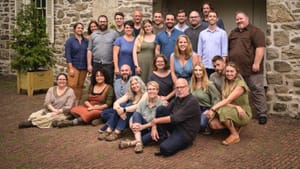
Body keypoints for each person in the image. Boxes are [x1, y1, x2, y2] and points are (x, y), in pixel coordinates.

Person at [228, 11, 268, 125]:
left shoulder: (256, 31)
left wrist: (256, 63)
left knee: (257, 90)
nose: (238, 21)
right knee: (236, 92)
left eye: (241, 18)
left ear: (247, 19)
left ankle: (262, 114)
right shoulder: (233, 32)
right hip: (236, 70)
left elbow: (260, 48)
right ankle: (239, 112)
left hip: (252, 68)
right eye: (237, 19)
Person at [205, 62, 252, 145]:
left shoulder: (240, 85)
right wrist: (236, 106)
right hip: (234, 109)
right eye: (227, 71)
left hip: (243, 112)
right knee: (213, 124)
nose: (229, 74)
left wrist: (212, 109)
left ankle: (235, 135)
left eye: (231, 71)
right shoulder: (225, 83)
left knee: (222, 110)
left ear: (236, 72)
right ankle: (235, 126)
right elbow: (224, 100)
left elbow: (227, 101)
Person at [151, 78, 200, 156]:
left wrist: (155, 121)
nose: (179, 90)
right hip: (175, 127)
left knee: (165, 149)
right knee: (160, 109)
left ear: (187, 87)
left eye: (182, 87)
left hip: (185, 132)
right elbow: (165, 112)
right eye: (177, 88)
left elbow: (174, 118)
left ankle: (184, 143)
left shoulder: (192, 101)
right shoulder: (177, 99)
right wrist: (154, 125)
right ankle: (163, 139)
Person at [98, 76, 147, 141]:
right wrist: (119, 111)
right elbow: (116, 103)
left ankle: (117, 131)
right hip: (127, 115)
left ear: (140, 83)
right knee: (121, 105)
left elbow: (138, 106)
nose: (134, 85)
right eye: (132, 84)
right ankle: (109, 130)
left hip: (139, 116)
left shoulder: (145, 93)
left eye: (136, 83)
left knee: (128, 106)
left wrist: (123, 110)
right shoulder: (130, 93)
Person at [118, 81, 163, 153]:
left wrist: (143, 127)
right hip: (140, 128)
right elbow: (135, 115)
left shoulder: (161, 105)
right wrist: (131, 125)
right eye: (149, 89)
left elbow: (157, 121)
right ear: (147, 91)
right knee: (136, 114)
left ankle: (133, 143)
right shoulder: (143, 102)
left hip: (153, 129)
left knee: (155, 133)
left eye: (154, 89)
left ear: (157, 90)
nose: (151, 91)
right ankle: (139, 143)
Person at [87, 15, 119, 86]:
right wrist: (89, 65)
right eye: (101, 21)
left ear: (107, 22)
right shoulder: (93, 34)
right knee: (94, 83)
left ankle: (109, 97)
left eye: (104, 21)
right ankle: (95, 97)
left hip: (109, 64)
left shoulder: (114, 33)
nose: (102, 23)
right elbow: (89, 50)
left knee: (109, 83)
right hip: (96, 63)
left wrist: (116, 64)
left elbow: (118, 48)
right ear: (98, 22)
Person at [190, 62, 220, 133]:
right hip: (194, 108)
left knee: (201, 124)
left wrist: (211, 110)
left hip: (205, 109)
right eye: (196, 70)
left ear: (203, 72)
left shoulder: (209, 84)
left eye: (200, 70)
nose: (198, 72)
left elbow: (217, 98)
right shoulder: (191, 83)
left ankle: (208, 125)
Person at [198, 10, 228, 77]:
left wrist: (222, 66)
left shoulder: (222, 33)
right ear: (207, 18)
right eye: (210, 16)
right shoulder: (202, 33)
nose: (212, 18)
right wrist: (200, 65)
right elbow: (199, 52)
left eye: (214, 16)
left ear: (217, 19)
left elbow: (224, 52)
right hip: (205, 66)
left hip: (217, 67)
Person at [65, 22, 89, 105]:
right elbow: (68, 55)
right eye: (78, 28)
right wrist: (70, 68)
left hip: (83, 67)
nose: (80, 29)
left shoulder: (86, 41)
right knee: (72, 85)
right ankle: (69, 103)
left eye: (82, 28)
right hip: (74, 66)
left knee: (80, 86)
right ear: (74, 29)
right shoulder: (70, 41)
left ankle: (77, 103)